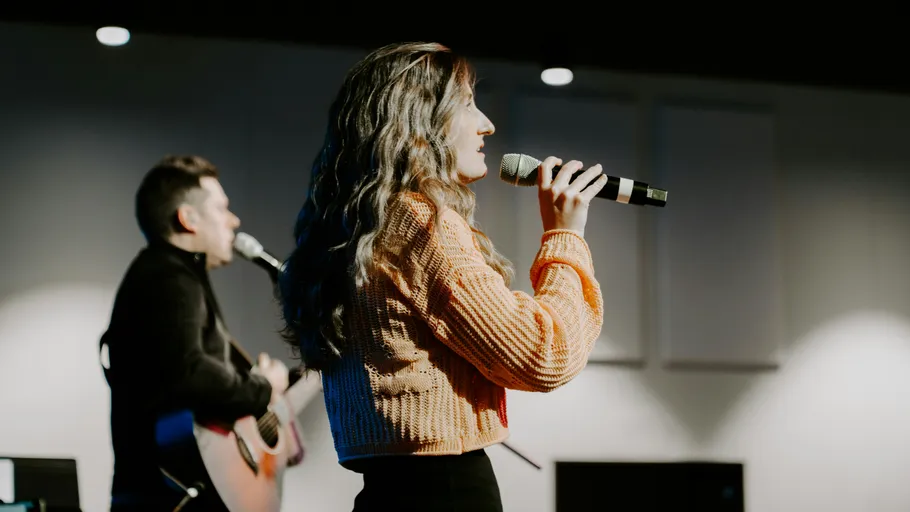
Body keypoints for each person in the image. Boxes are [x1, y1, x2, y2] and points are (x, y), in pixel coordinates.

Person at [278, 42, 607, 512]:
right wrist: (564, 236)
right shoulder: (418, 224)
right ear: (422, 121)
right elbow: (545, 354)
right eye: (468, 103)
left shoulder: (354, 226)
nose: (487, 124)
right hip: (446, 491)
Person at [99, 155, 290, 511]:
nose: (234, 221)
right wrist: (264, 388)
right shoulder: (169, 278)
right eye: (222, 209)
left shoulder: (171, 275)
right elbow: (190, 373)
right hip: (167, 498)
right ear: (187, 219)